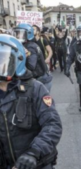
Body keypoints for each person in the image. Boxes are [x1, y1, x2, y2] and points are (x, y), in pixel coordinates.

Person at [0, 34, 62, 169]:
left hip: (36, 163)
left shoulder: (35, 88)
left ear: (16, 61)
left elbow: (52, 124)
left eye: (2, 59)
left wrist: (34, 153)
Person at [14, 23, 53, 92]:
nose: (17, 35)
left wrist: (23, 57)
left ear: (28, 34)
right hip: (39, 79)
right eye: (17, 33)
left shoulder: (30, 47)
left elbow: (31, 66)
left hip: (42, 81)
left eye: (20, 33)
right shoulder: (26, 45)